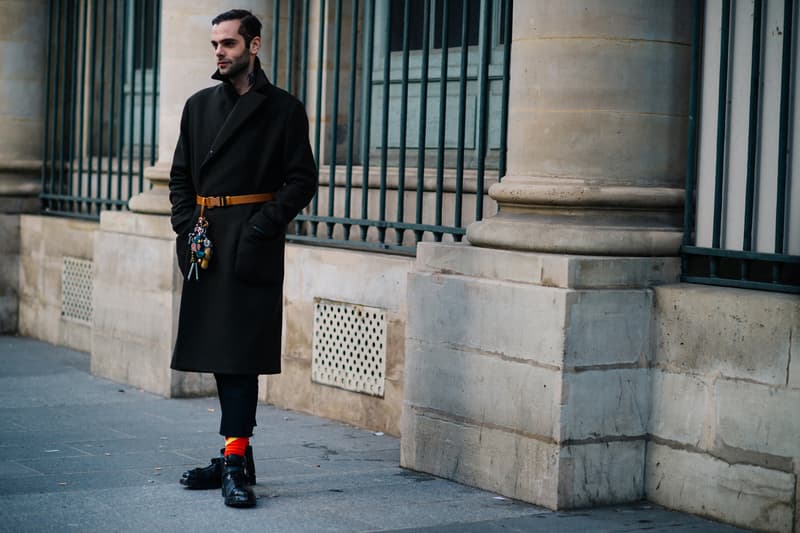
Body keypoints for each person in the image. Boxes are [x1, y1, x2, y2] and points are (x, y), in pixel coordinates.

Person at [168, 9, 317, 508]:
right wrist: (186, 226)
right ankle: (237, 456)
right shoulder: (198, 106)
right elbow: (180, 177)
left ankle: (232, 461)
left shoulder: (284, 109)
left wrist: (260, 227)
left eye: (228, 43)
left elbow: (302, 180)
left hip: (250, 244)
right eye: (215, 43)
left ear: (253, 46)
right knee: (220, 354)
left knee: (240, 358)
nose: (219, 51)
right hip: (206, 243)